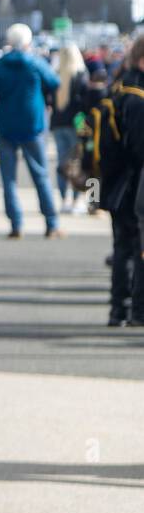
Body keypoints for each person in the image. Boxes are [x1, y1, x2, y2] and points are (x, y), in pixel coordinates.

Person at [0, 23, 63, 239]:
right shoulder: (35, 63)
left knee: (9, 179)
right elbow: (55, 82)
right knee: (41, 174)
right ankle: (51, 223)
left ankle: (16, 224)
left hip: (7, 125)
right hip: (32, 125)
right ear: (28, 42)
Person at [101, 34, 144, 326]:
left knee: (122, 247)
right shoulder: (137, 97)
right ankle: (136, 309)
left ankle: (119, 308)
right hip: (133, 181)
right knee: (135, 248)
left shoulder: (117, 85)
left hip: (115, 180)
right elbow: (140, 149)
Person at [50, 42, 90, 215]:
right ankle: (75, 199)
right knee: (76, 163)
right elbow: (85, 103)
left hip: (58, 124)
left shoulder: (56, 75)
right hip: (76, 125)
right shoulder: (81, 75)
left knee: (62, 162)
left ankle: (63, 199)